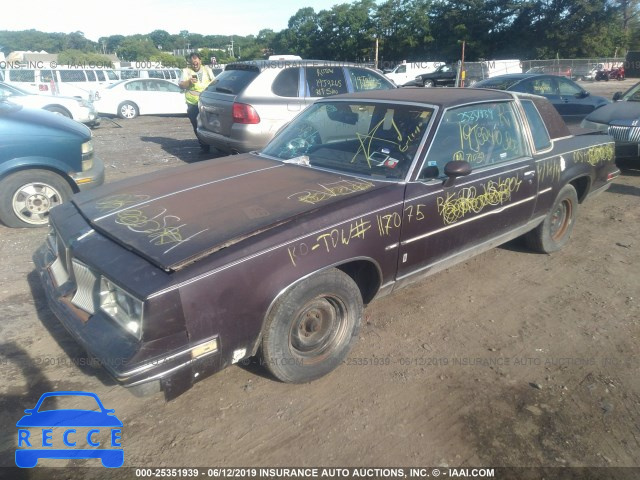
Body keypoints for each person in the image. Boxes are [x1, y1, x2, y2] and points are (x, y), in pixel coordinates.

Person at [179, 52, 215, 152]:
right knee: (197, 125)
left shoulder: (207, 70)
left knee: (211, 124)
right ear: (190, 63)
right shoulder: (186, 72)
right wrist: (189, 82)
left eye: (196, 62)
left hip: (207, 102)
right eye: (192, 63)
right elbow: (181, 86)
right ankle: (204, 146)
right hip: (193, 104)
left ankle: (214, 143)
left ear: (200, 61)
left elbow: (214, 83)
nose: (195, 64)